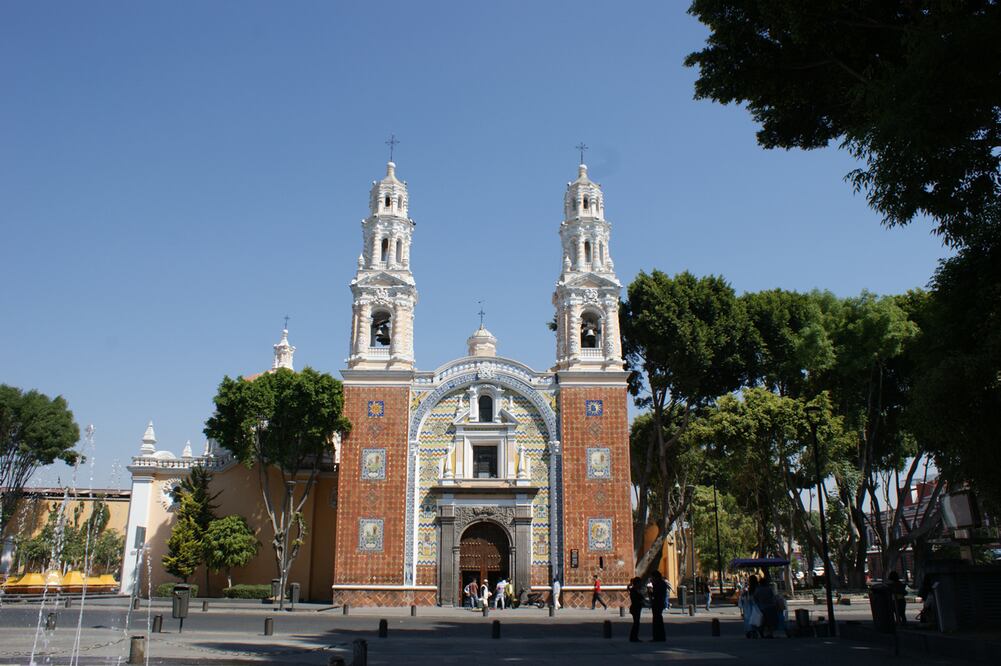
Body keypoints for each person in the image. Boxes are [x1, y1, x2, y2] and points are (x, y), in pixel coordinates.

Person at [752, 573, 779, 638]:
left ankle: (762, 632)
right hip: (770, 606)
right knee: (771, 621)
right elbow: (773, 596)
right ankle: (770, 633)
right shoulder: (769, 589)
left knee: (763, 621)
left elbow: (755, 598)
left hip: (762, 607)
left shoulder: (758, 589)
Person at [650, 570, 667, 642]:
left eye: (653, 577)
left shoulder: (659, 584)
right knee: (658, 620)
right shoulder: (662, 583)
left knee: (657, 620)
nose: (652, 579)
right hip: (659, 603)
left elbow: (655, 594)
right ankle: (660, 637)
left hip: (657, 603)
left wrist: (651, 590)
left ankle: (657, 637)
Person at [628, 577, 645, 642]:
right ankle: (633, 637)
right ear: (637, 583)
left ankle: (634, 637)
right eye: (639, 583)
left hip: (636, 608)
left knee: (636, 623)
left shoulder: (635, 590)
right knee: (636, 623)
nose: (641, 584)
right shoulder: (634, 590)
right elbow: (636, 599)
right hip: (635, 608)